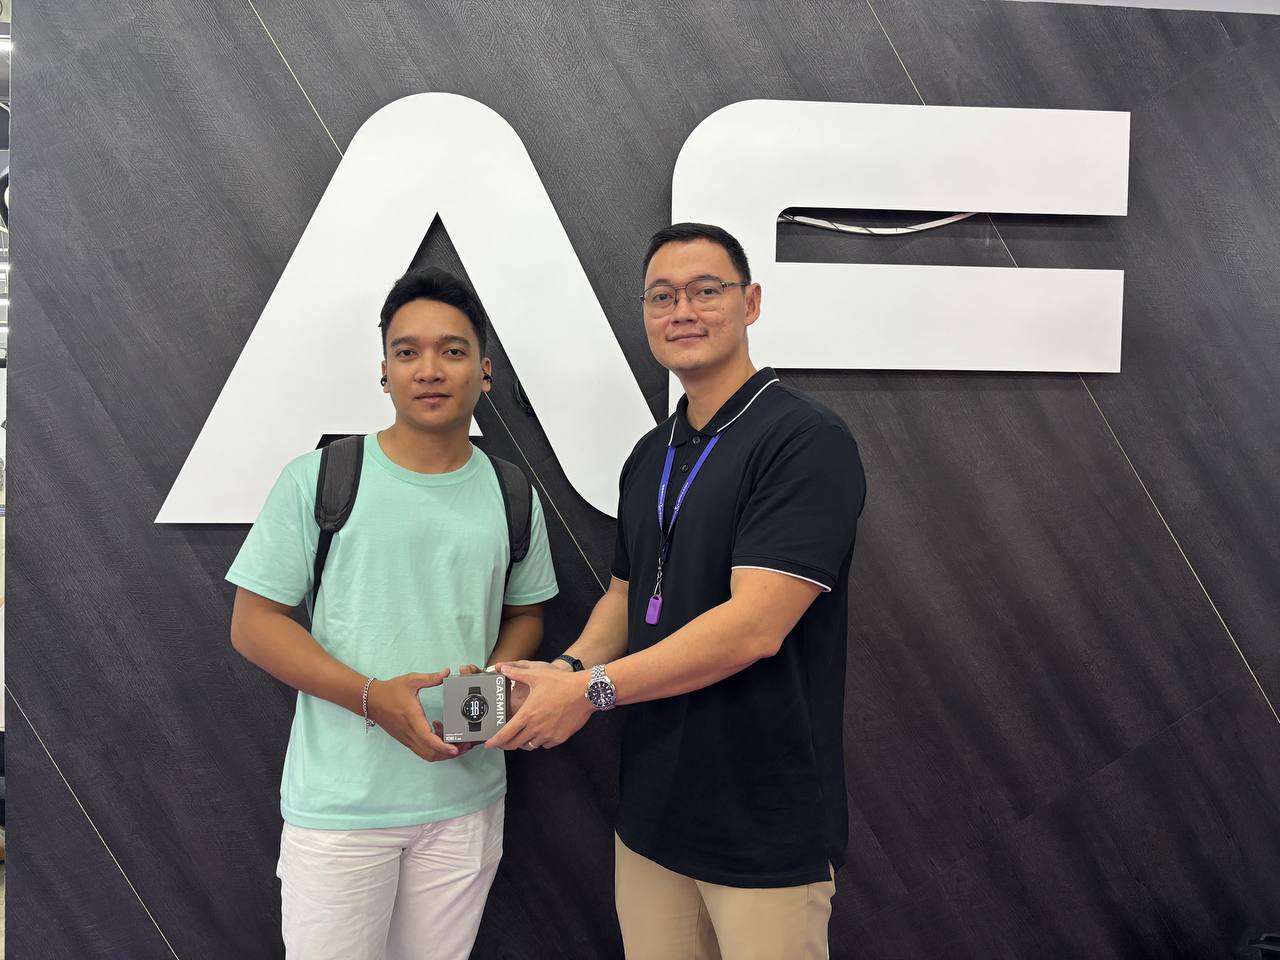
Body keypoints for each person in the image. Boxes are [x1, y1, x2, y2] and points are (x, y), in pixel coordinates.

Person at [489, 223, 865, 959]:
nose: (682, 311)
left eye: (704, 291)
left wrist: (591, 691)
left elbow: (755, 627)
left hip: (763, 827)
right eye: (662, 297)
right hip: (652, 820)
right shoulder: (650, 454)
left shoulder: (804, 440)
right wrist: (565, 672)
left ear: (750, 303)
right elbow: (626, 596)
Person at [227, 266, 558, 960]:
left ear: (486, 371)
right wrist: (373, 698)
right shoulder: (319, 478)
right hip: (342, 809)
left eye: (452, 350)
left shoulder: (511, 492)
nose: (429, 369)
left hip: (466, 804)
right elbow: (254, 623)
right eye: (407, 352)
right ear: (384, 372)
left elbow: (526, 614)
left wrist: (479, 704)